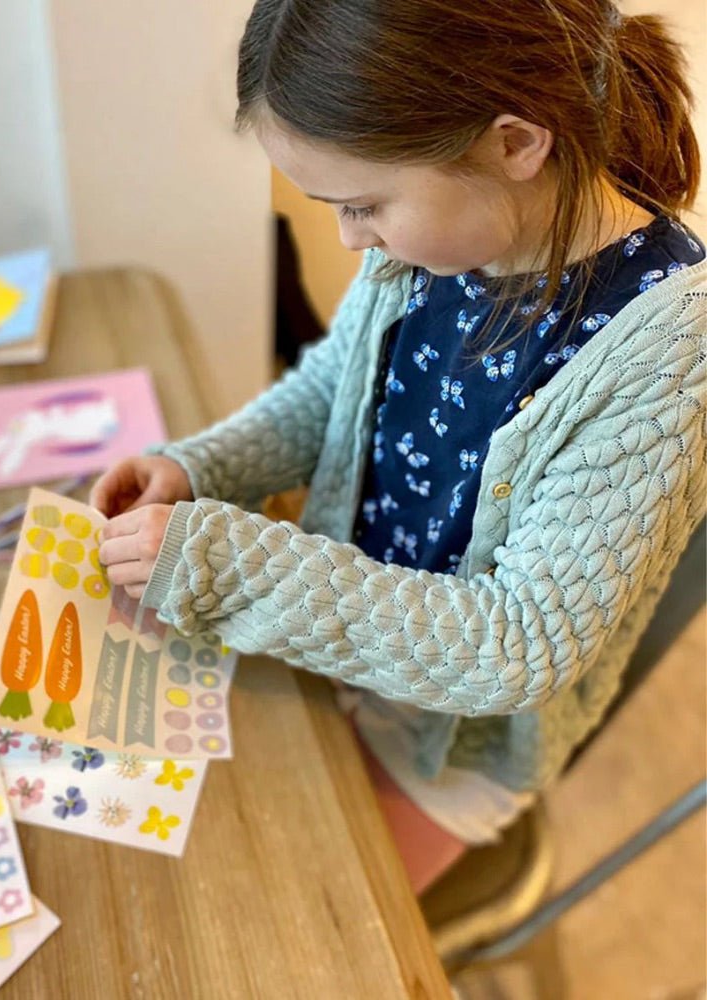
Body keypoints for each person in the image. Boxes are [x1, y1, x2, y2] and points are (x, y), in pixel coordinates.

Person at [92, 0, 706, 893]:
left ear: (515, 144)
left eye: (363, 205)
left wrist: (230, 566)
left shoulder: (670, 351)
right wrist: (198, 467)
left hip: (452, 751)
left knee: (272, 902)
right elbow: (331, 392)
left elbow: (518, 644)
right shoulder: (435, 244)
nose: (350, 239)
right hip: (337, 642)